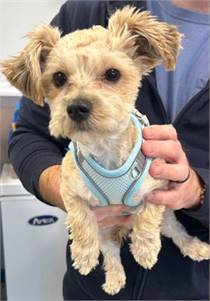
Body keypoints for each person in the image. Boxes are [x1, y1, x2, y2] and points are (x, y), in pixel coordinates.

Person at [9, 0, 209, 299]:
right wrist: (65, 189)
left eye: (111, 75)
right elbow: (28, 136)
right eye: (60, 79)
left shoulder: (138, 36)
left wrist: (198, 190)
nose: (79, 100)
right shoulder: (85, 11)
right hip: (91, 287)